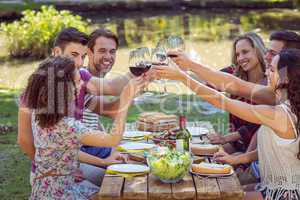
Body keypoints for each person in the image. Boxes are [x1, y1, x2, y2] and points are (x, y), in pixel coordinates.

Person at [153, 48, 300, 199]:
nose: (267, 72)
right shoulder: (285, 101)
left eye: (272, 69)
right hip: (270, 186)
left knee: (215, 195)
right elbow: (235, 84)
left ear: (286, 78)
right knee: (216, 190)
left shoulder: (280, 114)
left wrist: (183, 78)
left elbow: (223, 102)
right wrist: (190, 64)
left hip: (284, 194)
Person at [17, 27, 134, 187]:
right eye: (74, 55)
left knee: (123, 174)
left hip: (73, 162)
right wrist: (51, 168)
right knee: (120, 182)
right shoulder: (38, 90)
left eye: (83, 56)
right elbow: (25, 141)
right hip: (50, 175)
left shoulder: (80, 76)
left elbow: (111, 88)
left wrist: (142, 74)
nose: (80, 62)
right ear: (57, 52)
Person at [23, 56, 147, 199]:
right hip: (61, 194)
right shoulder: (67, 126)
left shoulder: (40, 115)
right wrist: (125, 101)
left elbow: (65, 150)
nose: (82, 84)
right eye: (77, 81)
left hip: (45, 190)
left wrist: (103, 162)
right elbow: (113, 139)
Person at [206, 32, 267, 155]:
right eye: (237, 54)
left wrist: (225, 138)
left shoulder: (270, 82)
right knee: (203, 151)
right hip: (236, 145)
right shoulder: (235, 72)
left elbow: (258, 124)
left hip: (257, 150)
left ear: (258, 51)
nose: (240, 58)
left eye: (245, 52)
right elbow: (209, 84)